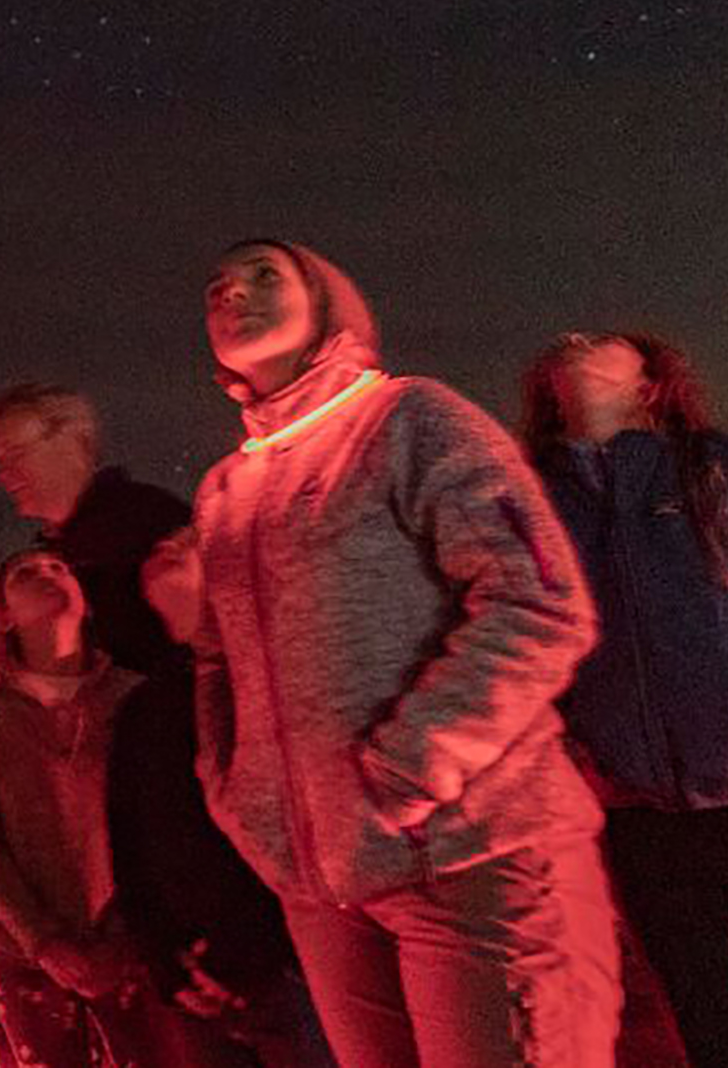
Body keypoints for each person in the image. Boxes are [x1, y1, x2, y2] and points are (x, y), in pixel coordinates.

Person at [191, 238, 618, 1067]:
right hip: (325, 890)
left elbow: (538, 601)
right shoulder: (224, 493)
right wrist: (237, 797)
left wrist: (408, 768)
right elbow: (214, 666)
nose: (233, 293)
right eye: (217, 286)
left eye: (262, 276)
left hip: (471, 858)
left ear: (326, 302)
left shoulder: (410, 420)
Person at [521, 330, 728, 1068]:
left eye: (604, 341)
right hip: (641, 821)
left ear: (649, 382)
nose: (577, 341)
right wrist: (568, 745)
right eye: (569, 341)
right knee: (715, 1035)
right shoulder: (524, 495)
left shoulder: (719, 469)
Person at [0, 548, 231, 1067]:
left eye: (62, 567)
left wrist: (128, 931)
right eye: (29, 572)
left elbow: (163, 830)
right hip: (25, 951)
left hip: (131, 947)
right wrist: (45, 939)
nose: (51, 573)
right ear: (3, 611)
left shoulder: (131, 697)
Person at [124, 529, 334, 1068]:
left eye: (188, 540)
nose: (164, 547)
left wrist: (253, 951)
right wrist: (167, 965)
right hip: (196, 977)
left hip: (284, 969)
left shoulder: (275, 678)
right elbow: (129, 846)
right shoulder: (145, 705)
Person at [0, 384, 191, 676]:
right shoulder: (65, 553)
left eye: (16, 452)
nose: (3, 475)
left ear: (72, 441)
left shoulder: (148, 525)